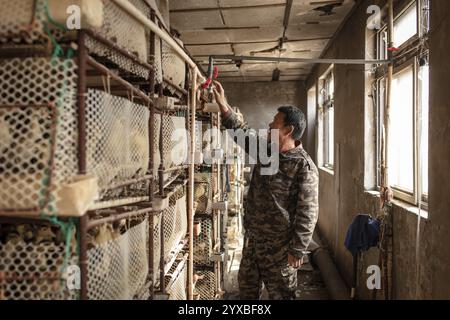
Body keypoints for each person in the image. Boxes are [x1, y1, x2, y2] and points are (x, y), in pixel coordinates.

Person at [213, 81, 319, 300]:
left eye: (275, 122)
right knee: (247, 292)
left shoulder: (303, 166)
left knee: (281, 295)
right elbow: (242, 134)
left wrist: (298, 249)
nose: (270, 125)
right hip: (254, 242)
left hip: (280, 250)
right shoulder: (267, 150)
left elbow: (307, 212)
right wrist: (223, 105)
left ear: (288, 130)